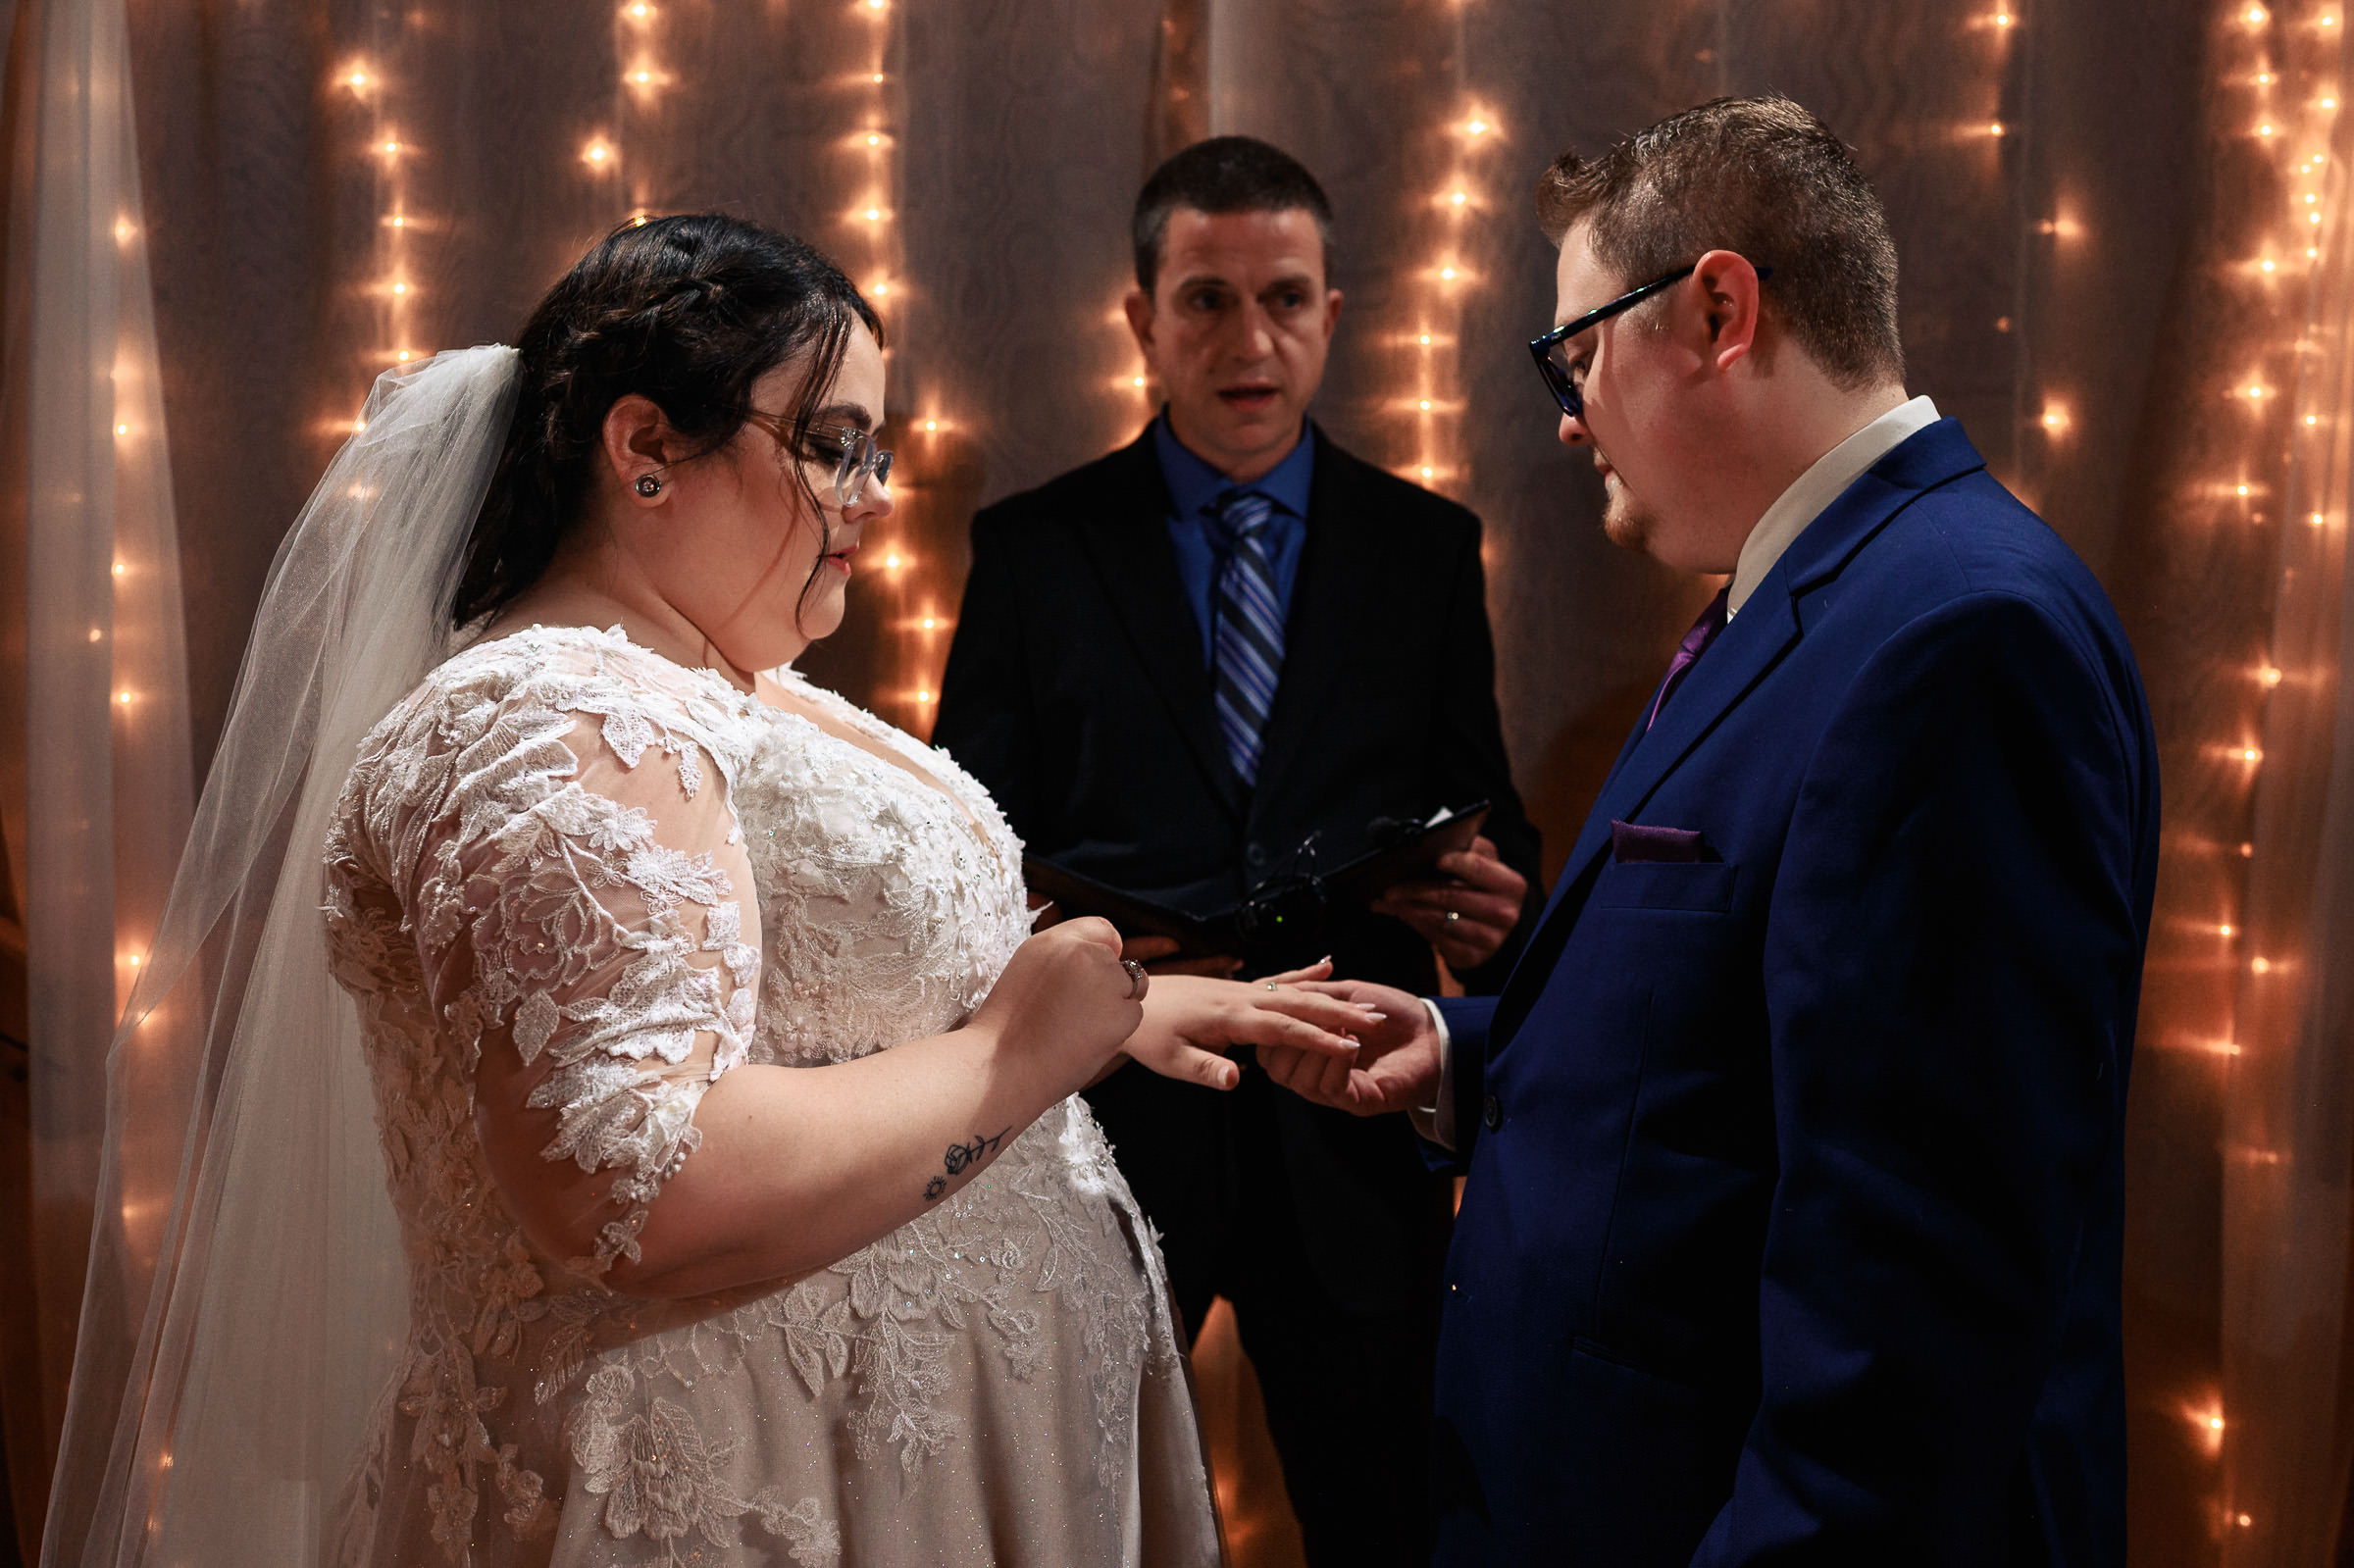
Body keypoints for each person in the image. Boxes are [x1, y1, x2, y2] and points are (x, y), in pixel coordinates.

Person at [45, 215, 1375, 1568]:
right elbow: (631, 1188)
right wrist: (1012, 1055)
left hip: (914, 1470)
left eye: (877, 448)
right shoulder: (544, 719)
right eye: (829, 444)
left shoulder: (720, 691)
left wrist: (1119, 1016)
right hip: (737, 1492)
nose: (870, 495)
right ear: (645, 452)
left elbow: (795, 995)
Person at [1262, 96, 2160, 1565]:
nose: (1566, 414)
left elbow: (1910, 1306)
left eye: (1578, 352)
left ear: (1717, 310)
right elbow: (1759, 1034)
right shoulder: (1815, 589)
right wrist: (1461, 1055)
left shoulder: (1961, 636)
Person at [930, 135, 1541, 1565]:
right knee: (1072, 1515)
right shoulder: (1037, 549)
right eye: (1206, 299)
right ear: (1142, 318)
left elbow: (1483, 802)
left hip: (1352, 1113)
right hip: (1114, 1116)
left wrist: (1500, 887)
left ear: (1334, 313)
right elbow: (964, 836)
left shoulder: (1426, 549)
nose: (1248, 338)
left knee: (1384, 1511)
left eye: (1284, 297)